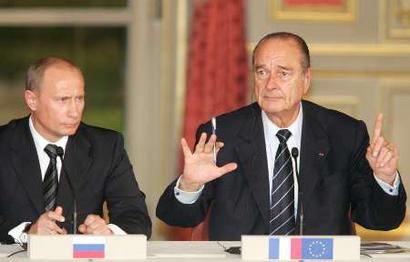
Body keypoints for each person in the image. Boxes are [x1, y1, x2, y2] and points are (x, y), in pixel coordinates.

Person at [156, 32, 407, 240]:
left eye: (283, 73)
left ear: (306, 79)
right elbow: (176, 218)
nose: (270, 84)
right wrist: (190, 185)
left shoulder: (344, 134)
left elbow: (381, 221)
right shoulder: (221, 134)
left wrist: (384, 179)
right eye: (262, 72)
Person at [0, 56, 151, 243]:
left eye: (79, 98)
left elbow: (136, 216)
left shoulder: (106, 147)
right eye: (63, 100)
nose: (74, 111)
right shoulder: (4, 144)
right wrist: (27, 232)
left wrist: (109, 233)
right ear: (32, 100)